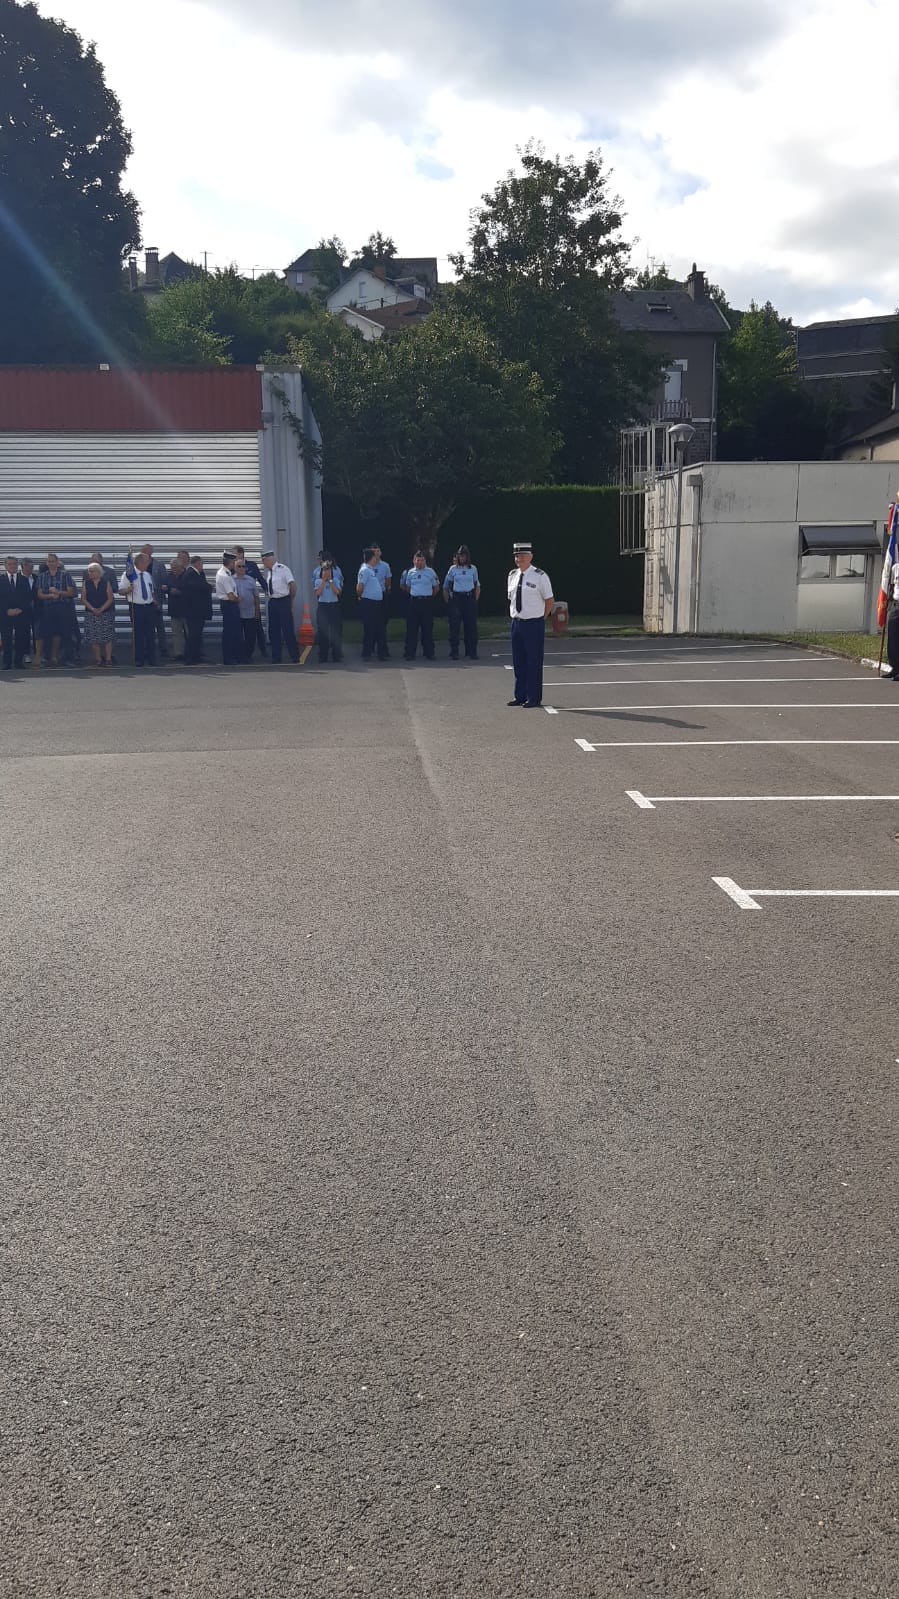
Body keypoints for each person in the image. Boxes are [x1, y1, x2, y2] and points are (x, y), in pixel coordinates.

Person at [507, 541, 553, 708]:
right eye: (516, 556)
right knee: (518, 661)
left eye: (522, 556)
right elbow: (511, 599)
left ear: (530, 557)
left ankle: (534, 697)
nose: (518, 559)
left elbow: (549, 600)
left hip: (533, 623)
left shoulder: (540, 576)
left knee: (533, 661)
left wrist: (541, 618)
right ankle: (520, 695)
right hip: (517, 623)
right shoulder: (512, 575)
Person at [33, 552, 76, 669]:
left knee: (66, 633)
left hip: (63, 607)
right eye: (49, 561)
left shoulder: (65, 575)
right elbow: (39, 594)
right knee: (48, 633)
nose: (51, 563)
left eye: (53, 561)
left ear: (57, 562)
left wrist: (58, 592)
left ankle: (68, 659)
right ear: (46, 563)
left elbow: (72, 592)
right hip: (48, 608)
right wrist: (50, 596)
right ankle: (49, 658)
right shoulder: (42, 576)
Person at [260, 551, 299, 664]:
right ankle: (276, 657)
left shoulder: (283, 569)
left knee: (287, 630)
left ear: (269, 560)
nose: (263, 564)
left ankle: (294, 656)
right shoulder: (269, 572)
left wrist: (291, 599)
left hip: (283, 601)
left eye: (264, 561)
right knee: (274, 631)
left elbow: (292, 585)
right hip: (273, 602)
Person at [119, 552, 156, 667]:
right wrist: (128, 589)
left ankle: (152, 658)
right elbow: (121, 591)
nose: (148, 563)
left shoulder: (147, 575)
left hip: (149, 606)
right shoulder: (129, 574)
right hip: (136, 606)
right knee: (138, 634)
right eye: (147, 561)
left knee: (150, 633)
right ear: (140, 562)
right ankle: (139, 658)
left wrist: (154, 601)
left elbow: (151, 590)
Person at [444, 545, 481, 660]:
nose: (462, 558)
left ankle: (471, 651)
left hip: (468, 598)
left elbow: (476, 584)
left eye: (464, 556)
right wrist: (451, 599)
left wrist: (474, 599)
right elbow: (449, 584)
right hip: (457, 598)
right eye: (460, 556)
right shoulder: (453, 569)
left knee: (471, 626)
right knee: (454, 626)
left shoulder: (473, 569)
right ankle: (454, 651)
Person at [401, 551, 440, 660]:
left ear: (425, 561)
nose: (420, 562)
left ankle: (429, 653)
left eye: (422, 560)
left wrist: (427, 596)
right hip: (414, 603)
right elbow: (408, 588)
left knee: (427, 628)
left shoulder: (430, 572)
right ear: (414, 561)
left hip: (426, 602)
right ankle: (410, 653)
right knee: (411, 629)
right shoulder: (410, 572)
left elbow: (436, 588)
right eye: (418, 560)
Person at [233, 545, 268, 659]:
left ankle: (263, 650)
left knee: (257, 628)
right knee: (240, 631)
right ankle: (243, 654)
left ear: (241, 554)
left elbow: (260, 579)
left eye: (235, 554)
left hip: (251, 604)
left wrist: (267, 590)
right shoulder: (233, 566)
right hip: (238, 606)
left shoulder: (251, 565)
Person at [356, 547, 389, 661]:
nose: (376, 559)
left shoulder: (370, 569)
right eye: (375, 557)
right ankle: (366, 653)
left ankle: (381, 652)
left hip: (376, 603)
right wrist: (360, 596)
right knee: (369, 628)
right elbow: (360, 586)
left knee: (379, 628)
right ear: (371, 558)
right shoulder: (365, 570)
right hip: (369, 603)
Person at [81, 562, 115, 668]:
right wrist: (92, 609)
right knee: (93, 637)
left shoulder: (106, 583)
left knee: (107, 637)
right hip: (91, 614)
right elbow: (83, 598)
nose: (89, 573)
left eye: (91, 571)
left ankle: (108, 659)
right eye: (89, 571)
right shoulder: (86, 583)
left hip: (105, 613)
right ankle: (98, 659)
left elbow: (110, 598)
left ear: (98, 572)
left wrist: (102, 609)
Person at [313, 549, 344, 663]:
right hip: (323, 605)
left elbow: (338, 591)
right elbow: (317, 592)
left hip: (334, 604)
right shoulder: (317, 578)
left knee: (336, 630)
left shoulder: (335, 576)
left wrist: (330, 580)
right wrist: (323, 580)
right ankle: (323, 654)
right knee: (323, 631)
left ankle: (337, 654)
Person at [181, 556, 213, 663]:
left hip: (198, 611)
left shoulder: (199, 574)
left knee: (197, 634)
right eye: (201, 564)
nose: (202, 566)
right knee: (193, 634)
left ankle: (196, 655)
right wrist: (208, 587)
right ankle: (189, 657)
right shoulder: (190, 574)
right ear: (197, 563)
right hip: (193, 611)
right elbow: (198, 587)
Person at [0, 556, 30, 669]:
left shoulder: (24, 579)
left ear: (17, 565)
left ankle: (18, 662)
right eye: (9, 564)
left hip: (20, 614)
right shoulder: (1, 579)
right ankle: (6, 662)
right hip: (5, 614)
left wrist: (20, 609)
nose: (12, 566)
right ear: (5, 565)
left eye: (14, 564)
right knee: (6, 638)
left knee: (20, 638)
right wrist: (6, 610)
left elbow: (28, 597)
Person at [140, 542, 169, 658]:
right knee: (145, 626)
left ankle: (163, 648)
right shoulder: (137, 565)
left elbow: (164, 580)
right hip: (142, 601)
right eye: (143, 550)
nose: (144, 552)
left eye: (146, 550)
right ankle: (146, 649)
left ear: (151, 552)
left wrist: (160, 596)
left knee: (159, 625)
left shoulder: (159, 564)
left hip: (156, 599)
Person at [215, 550, 243, 665]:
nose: (234, 564)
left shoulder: (225, 573)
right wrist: (238, 599)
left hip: (228, 605)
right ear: (230, 562)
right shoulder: (225, 576)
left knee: (233, 631)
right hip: (229, 605)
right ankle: (229, 657)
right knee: (230, 632)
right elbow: (231, 596)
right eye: (234, 561)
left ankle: (234, 656)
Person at [166, 556, 189, 662]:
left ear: (180, 566)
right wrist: (166, 589)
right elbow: (167, 586)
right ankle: (178, 653)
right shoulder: (170, 576)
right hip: (174, 609)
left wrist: (179, 592)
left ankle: (190, 652)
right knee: (176, 632)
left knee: (188, 632)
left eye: (174, 567)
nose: (172, 569)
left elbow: (190, 591)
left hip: (186, 608)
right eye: (171, 567)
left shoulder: (187, 575)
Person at [20, 559, 38, 657]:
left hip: (36, 609)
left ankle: (37, 653)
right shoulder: (17, 578)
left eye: (32, 567)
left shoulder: (36, 577)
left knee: (37, 632)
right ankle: (26, 654)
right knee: (24, 632)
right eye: (29, 566)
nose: (31, 569)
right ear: (23, 567)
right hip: (22, 610)